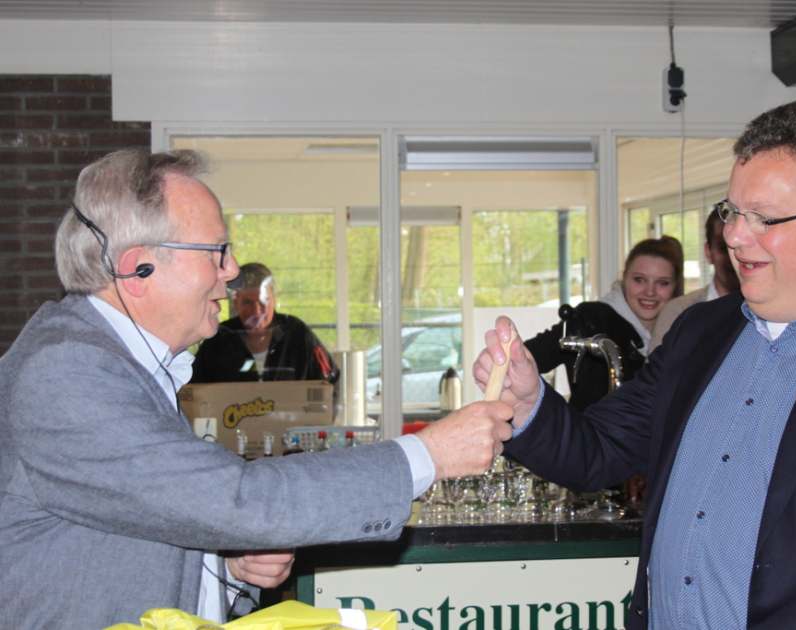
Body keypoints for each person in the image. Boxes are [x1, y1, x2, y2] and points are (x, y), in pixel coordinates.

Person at [475, 100, 796, 629]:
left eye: (764, 217)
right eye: (732, 211)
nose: (735, 236)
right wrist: (530, 399)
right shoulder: (702, 330)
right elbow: (600, 450)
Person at [0, 149, 512, 629]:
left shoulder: (119, 363)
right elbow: (238, 499)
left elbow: (158, 517)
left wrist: (228, 568)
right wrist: (429, 454)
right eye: (216, 252)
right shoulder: (68, 371)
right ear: (138, 269)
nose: (229, 274)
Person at [524, 236, 683, 411]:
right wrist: (552, 418)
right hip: (589, 436)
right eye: (639, 280)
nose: (650, 292)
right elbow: (526, 359)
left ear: (675, 286)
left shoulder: (680, 331)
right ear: (624, 278)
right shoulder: (592, 319)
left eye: (663, 283)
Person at [191, 262, 339, 383]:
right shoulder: (219, 339)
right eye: (247, 302)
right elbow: (195, 390)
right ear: (235, 303)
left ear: (274, 300)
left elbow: (330, 380)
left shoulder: (297, 333)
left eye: (263, 302)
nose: (256, 312)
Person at [650, 209, 740, 349]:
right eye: (723, 248)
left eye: (739, 247)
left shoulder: (769, 314)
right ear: (708, 252)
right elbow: (659, 370)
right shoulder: (678, 312)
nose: (733, 257)